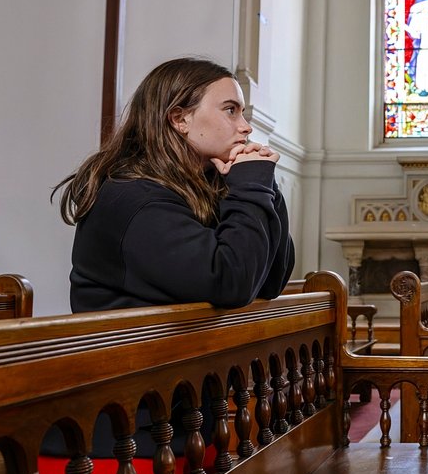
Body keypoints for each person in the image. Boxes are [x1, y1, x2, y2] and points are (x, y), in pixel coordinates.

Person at [54, 57, 295, 313]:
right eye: (230, 110)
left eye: (242, 113)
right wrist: (252, 185)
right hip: (130, 351)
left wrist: (265, 186)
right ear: (180, 119)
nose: (246, 127)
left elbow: (270, 281)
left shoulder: (207, 185)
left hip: (181, 349)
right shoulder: (133, 197)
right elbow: (231, 283)